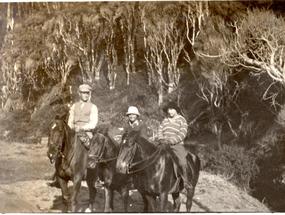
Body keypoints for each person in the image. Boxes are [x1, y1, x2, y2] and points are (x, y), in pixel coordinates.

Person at [48, 83, 98, 188]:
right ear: (79, 94)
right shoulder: (74, 106)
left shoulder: (93, 107)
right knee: (61, 148)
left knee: (92, 149)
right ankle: (58, 174)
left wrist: (83, 128)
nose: (85, 95)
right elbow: (70, 120)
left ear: (89, 94)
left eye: (87, 93)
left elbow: (94, 122)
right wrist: (72, 127)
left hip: (87, 132)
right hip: (74, 131)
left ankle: (94, 175)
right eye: (83, 93)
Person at [157, 101, 191, 189]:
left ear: (176, 110)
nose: (170, 111)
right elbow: (160, 130)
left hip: (176, 145)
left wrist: (172, 141)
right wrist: (161, 139)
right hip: (163, 144)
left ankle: (186, 181)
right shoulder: (165, 120)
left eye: (172, 109)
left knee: (182, 161)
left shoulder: (182, 120)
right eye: (169, 110)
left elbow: (182, 134)